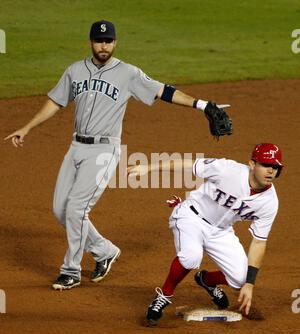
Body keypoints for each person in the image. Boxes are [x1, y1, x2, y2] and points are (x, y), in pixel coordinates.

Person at [4, 20, 231, 290]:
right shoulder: (75, 71)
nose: (104, 46)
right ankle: (104, 251)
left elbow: (164, 91)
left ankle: (71, 271)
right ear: (91, 42)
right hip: (76, 147)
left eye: (109, 41)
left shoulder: (128, 73)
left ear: (115, 42)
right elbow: (56, 101)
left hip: (103, 151)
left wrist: (201, 105)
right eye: (100, 41)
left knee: (77, 208)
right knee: (61, 211)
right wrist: (27, 127)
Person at [127, 143, 283, 325]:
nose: (271, 170)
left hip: (221, 232)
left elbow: (259, 242)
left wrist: (250, 283)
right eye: (266, 165)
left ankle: (206, 280)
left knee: (242, 278)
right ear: (252, 164)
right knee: (191, 257)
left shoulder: (269, 202)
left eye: (275, 167)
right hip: (191, 217)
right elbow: (189, 165)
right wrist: (149, 167)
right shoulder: (227, 170)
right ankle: (165, 294)